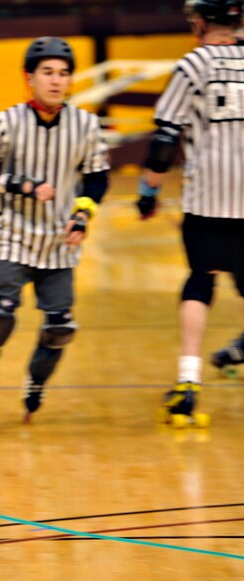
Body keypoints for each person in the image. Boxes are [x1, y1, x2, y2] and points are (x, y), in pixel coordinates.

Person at [0, 36, 110, 436]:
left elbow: (96, 179)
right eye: (48, 73)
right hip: (13, 234)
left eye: (63, 74)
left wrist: (82, 216)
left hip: (59, 241)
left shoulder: (85, 125)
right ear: (30, 78)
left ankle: (35, 383)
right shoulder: (6, 122)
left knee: (60, 327)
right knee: (1, 316)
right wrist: (22, 185)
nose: (56, 81)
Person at [137, 0, 244, 425]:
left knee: (201, 280)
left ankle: (188, 381)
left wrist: (148, 192)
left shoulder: (193, 64)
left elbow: (165, 138)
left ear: (200, 22)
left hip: (208, 199)